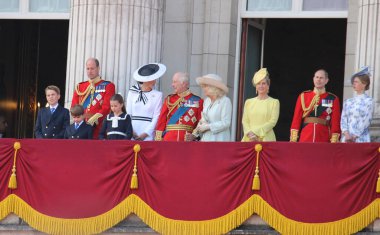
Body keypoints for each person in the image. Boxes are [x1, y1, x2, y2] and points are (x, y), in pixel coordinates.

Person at [290, 69, 341, 143]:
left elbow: (335, 121)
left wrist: (334, 140)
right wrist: (293, 139)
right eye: (316, 77)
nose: (318, 80)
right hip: (306, 136)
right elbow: (296, 119)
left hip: (323, 136)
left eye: (321, 78)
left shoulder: (333, 98)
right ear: (313, 79)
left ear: (326, 81)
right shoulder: (304, 96)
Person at [71, 58, 115, 138]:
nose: (89, 71)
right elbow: (74, 106)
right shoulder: (80, 87)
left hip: (98, 128)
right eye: (88, 69)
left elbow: (106, 108)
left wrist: (93, 119)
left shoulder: (108, 86)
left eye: (92, 68)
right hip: (80, 128)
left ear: (98, 68)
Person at [155, 72, 203, 141]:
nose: (172, 85)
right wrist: (158, 139)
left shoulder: (197, 100)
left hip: (187, 140)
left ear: (183, 83)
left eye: (175, 82)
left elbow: (201, 121)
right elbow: (161, 121)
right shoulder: (169, 99)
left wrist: (194, 135)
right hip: (168, 139)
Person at [185, 74, 232, 141]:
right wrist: (194, 135)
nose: (203, 89)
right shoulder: (207, 101)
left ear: (214, 87)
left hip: (219, 140)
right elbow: (203, 120)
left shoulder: (225, 101)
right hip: (206, 140)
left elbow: (226, 123)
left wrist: (208, 126)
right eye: (203, 86)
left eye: (205, 86)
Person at [127, 63, 165, 141]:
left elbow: (156, 117)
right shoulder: (132, 92)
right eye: (152, 79)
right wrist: (132, 132)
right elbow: (128, 113)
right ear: (145, 80)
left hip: (148, 133)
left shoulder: (158, 95)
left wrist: (145, 134)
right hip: (132, 131)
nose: (155, 82)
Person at [241, 68, 280, 142]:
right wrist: (250, 133)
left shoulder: (274, 102)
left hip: (266, 139)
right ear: (256, 86)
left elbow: (272, 122)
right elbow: (245, 121)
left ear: (268, 85)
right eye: (258, 83)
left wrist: (255, 132)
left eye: (263, 83)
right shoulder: (248, 102)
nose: (261, 86)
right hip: (249, 138)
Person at [340, 67, 374, 143]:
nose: (353, 84)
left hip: (361, 138)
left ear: (364, 84)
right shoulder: (348, 101)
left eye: (356, 82)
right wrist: (346, 134)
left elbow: (367, 121)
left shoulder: (369, 101)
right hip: (347, 138)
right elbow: (343, 119)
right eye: (353, 82)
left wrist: (355, 136)